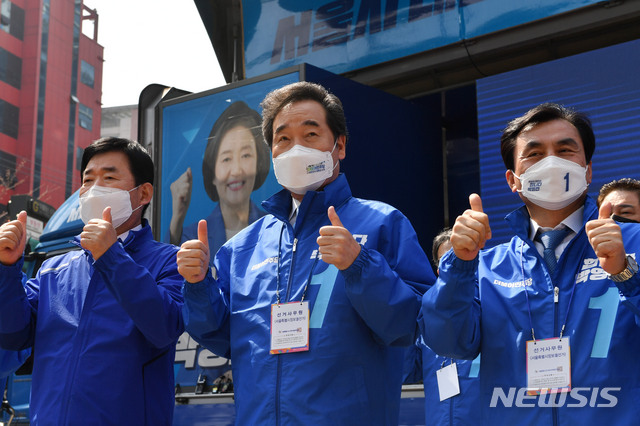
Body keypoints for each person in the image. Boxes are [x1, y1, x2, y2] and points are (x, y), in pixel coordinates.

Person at [177, 82, 435, 425]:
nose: (295, 148)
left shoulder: (383, 224)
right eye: (283, 139)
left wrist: (359, 265)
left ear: (339, 146)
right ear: (272, 154)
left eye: (311, 135)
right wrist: (197, 285)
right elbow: (219, 336)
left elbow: (413, 325)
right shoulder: (242, 247)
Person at [420, 103, 640, 424]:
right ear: (513, 180)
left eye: (565, 150)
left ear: (588, 171)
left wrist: (626, 274)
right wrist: (460, 265)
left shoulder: (633, 242)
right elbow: (447, 343)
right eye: (534, 154)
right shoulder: (488, 266)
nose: (551, 162)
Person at [0, 137, 184, 425]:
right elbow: (12, 335)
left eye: (109, 177)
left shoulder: (169, 261)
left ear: (144, 193)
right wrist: (7, 268)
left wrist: (111, 256)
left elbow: (163, 328)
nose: (95, 189)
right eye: (88, 179)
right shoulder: (52, 270)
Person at [168, 100, 271, 257]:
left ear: (259, 163)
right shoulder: (190, 237)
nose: (236, 171)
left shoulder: (276, 227)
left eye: (246, 155)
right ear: (212, 173)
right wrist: (176, 220)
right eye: (226, 159)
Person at [404, 228, 481, 425]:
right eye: (447, 261)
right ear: (439, 270)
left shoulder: (492, 306)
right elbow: (409, 372)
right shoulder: (427, 315)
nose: (455, 265)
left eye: (459, 256)